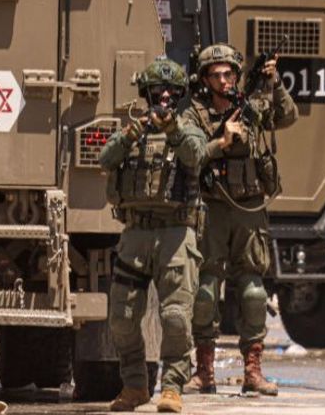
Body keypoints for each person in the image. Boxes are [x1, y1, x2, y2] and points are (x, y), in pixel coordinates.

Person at [180, 43, 297, 396]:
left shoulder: (252, 109)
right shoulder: (194, 114)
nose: (222, 79)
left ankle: (253, 371)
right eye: (214, 74)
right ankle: (204, 371)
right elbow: (189, 152)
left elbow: (288, 116)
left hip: (249, 210)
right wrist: (221, 141)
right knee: (204, 292)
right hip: (213, 210)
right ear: (204, 79)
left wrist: (273, 82)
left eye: (228, 72)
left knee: (253, 291)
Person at [99, 57, 208, 413]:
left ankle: (173, 386)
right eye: (157, 90)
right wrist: (132, 132)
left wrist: (173, 129)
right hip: (135, 234)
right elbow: (105, 157)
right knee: (122, 316)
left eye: (170, 91)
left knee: (175, 317)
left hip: (176, 234)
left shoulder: (189, 127)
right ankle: (134, 385)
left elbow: (196, 154)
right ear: (146, 93)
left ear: (178, 96)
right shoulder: (134, 130)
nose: (163, 96)